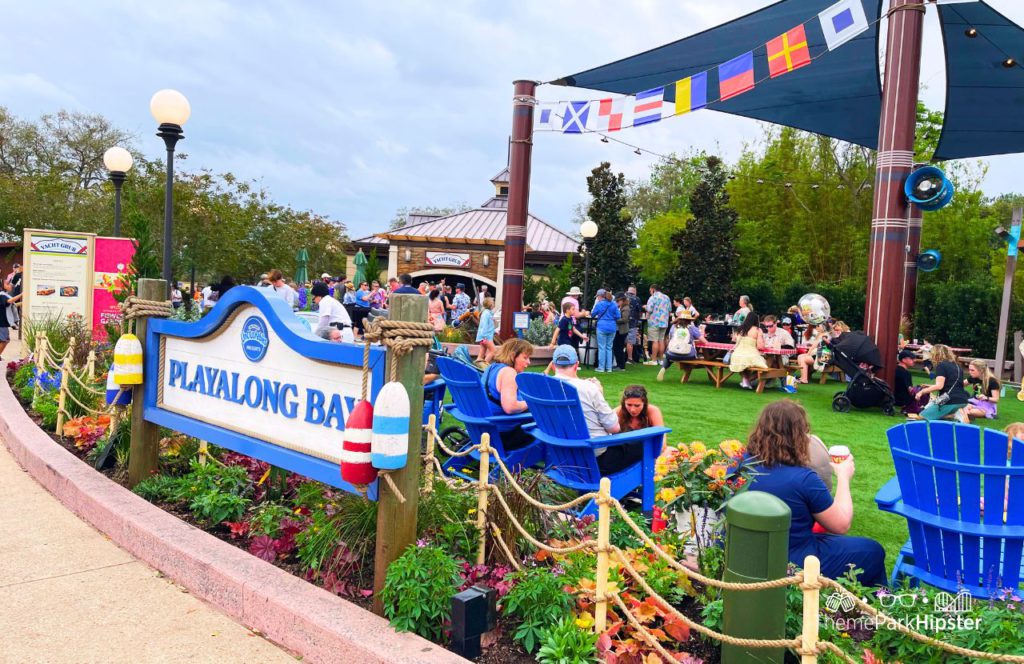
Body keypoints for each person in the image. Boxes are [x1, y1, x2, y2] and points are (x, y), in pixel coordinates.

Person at [746, 400, 887, 587]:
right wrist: (843, 477)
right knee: (872, 550)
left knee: (833, 541)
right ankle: (872, 607)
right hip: (792, 563)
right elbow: (841, 524)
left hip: (744, 555)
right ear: (799, 436)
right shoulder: (803, 479)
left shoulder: (737, 465)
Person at [550, 345, 645, 476]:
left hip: (562, 455)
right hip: (595, 458)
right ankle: (629, 492)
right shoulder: (589, 388)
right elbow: (614, 428)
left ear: (554, 366)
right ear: (576, 364)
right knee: (645, 443)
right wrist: (599, 392)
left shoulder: (542, 388)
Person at [480, 339, 535, 450]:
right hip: (502, 436)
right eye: (525, 357)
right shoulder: (509, 372)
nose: (528, 362)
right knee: (548, 421)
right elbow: (510, 407)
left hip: (485, 430)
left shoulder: (492, 367)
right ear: (512, 356)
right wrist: (532, 402)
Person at [915, 344, 970, 422]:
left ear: (936, 354)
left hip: (949, 400)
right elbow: (950, 383)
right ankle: (956, 414)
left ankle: (954, 415)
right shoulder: (958, 366)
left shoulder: (941, 365)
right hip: (962, 400)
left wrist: (922, 392)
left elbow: (939, 386)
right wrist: (930, 386)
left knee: (922, 416)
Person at [614, 384, 666, 453]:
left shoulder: (653, 411)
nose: (632, 409)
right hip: (624, 453)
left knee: (672, 451)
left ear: (644, 403)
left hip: (649, 451)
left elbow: (662, 440)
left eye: (637, 405)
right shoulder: (617, 413)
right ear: (624, 403)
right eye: (629, 405)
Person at [656, 311, 702, 381]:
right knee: (694, 357)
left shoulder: (673, 327)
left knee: (668, 357)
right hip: (688, 355)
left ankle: (663, 368)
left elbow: (671, 339)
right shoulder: (692, 328)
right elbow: (703, 340)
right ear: (690, 320)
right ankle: (685, 376)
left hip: (673, 354)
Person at [545, 301, 587, 375]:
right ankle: (548, 370)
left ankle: (558, 370)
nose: (574, 311)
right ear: (567, 310)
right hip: (563, 341)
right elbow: (557, 330)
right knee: (559, 356)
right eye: (573, 309)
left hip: (568, 341)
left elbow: (573, 329)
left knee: (562, 355)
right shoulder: (564, 320)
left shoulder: (570, 319)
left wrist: (582, 336)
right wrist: (552, 342)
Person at [729, 312, 768, 389]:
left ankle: (745, 380)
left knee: (743, 364)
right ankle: (747, 380)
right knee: (766, 365)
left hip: (736, 355)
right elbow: (760, 346)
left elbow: (734, 340)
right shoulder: (757, 330)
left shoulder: (739, 329)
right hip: (751, 355)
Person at [591, 289, 620, 373]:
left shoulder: (599, 304)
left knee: (602, 347)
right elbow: (618, 316)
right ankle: (609, 368)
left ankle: (601, 367)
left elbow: (593, 314)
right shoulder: (614, 304)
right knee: (609, 348)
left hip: (602, 327)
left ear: (601, 296)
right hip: (612, 327)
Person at [644, 284, 672, 366]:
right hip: (664, 322)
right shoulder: (667, 297)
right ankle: (661, 360)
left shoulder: (653, 297)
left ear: (653, 289)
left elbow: (649, 309)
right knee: (661, 340)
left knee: (655, 341)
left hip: (654, 322)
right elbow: (670, 310)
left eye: (650, 290)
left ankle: (654, 360)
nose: (650, 292)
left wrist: (645, 307)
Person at [0, 282, 22, 356]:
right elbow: (10, 301)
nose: (10, 285)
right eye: (7, 284)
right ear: (3, 286)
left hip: (3, 322)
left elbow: (12, 304)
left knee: (5, 340)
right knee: (4, 341)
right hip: (1, 323)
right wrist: (22, 294)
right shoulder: (2, 295)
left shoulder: (4, 295)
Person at [476, 297, 497, 364]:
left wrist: (494, 331)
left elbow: (488, 326)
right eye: (493, 302)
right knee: (493, 351)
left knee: (482, 352)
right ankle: (484, 365)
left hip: (484, 336)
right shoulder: (487, 314)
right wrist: (484, 337)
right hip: (486, 337)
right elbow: (484, 326)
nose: (494, 304)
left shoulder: (487, 313)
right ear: (490, 304)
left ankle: (477, 365)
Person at [613, 294, 630, 370]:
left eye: (618, 301)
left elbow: (624, 319)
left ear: (622, 301)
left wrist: (614, 320)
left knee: (619, 348)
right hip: (619, 330)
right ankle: (619, 365)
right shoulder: (621, 307)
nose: (617, 302)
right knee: (617, 347)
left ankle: (621, 366)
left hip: (622, 331)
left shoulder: (626, 308)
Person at [626, 286, 642, 363]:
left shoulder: (623, 297)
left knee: (620, 340)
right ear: (634, 292)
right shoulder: (637, 299)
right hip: (632, 322)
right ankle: (629, 358)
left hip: (622, 322)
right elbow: (639, 311)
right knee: (630, 342)